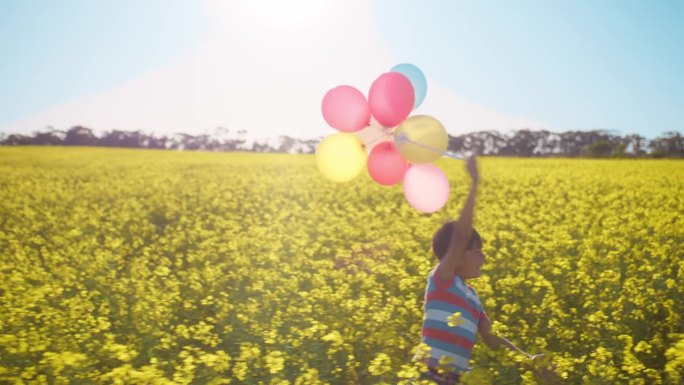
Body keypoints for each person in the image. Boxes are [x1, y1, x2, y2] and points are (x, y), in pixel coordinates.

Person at [415, 156, 543, 384]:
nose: (483, 256)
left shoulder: (472, 296)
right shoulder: (442, 279)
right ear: (455, 255)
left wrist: (530, 361)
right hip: (429, 375)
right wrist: (474, 184)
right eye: (476, 251)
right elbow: (460, 236)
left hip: (453, 378)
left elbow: (492, 338)